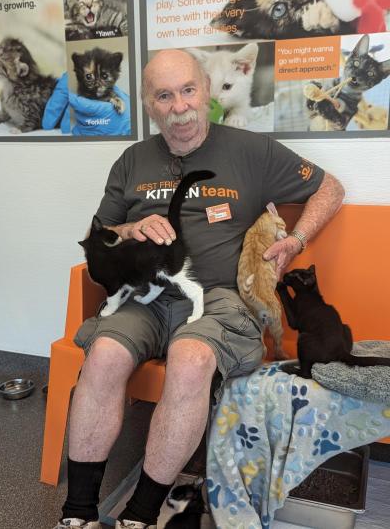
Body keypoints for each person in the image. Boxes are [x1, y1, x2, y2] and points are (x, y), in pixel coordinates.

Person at [54, 49, 345, 529]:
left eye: (188, 90)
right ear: (149, 103)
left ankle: (142, 514)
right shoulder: (131, 160)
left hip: (221, 300)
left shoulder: (252, 150)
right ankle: (78, 513)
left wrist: (295, 240)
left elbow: (329, 188)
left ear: (206, 91)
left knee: (190, 362)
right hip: (146, 294)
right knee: (103, 355)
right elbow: (102, 234)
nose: (179, 106)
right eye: (164, 96)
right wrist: (131, 231)